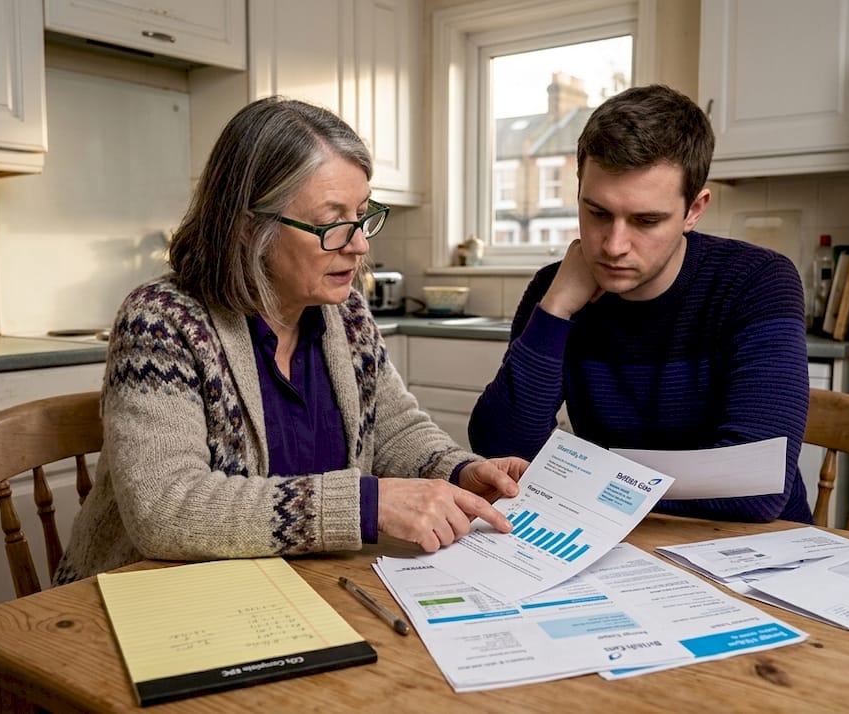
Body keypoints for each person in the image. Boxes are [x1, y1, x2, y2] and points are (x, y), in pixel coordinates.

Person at [56, 97, 527, 583]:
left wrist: (456, 471)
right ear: (246, 226)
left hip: (295, 586)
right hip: (144, 599)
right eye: (331, 222)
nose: (360, 244)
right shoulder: (161, 322)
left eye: (363, 214)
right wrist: (367, 503)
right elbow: (166, 508)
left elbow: (393, 427)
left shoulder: (344, 311)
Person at [467, 84, 811, 524]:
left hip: (751, 548)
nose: (613, 245)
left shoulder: (758, 282)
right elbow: (501, 452)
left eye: (646, 220)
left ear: (694, 209)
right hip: (610, 537)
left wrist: (573, 475)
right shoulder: (553, 289)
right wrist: (555, 309)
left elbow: (754, 491)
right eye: (597, 213)